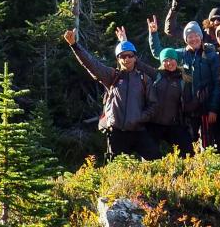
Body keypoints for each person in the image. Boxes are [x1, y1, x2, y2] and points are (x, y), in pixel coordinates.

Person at [64, 27, 158, 159]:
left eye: (130, 55)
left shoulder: (144, 79)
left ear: (135, 58)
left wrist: (141, 117)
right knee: (116, 167)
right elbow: (91, 63)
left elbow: (153, 105)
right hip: (116, 132)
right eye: (122, 56)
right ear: (118, 59)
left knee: (155, 158)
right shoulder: (112, 76)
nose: (127, 59)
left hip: (138, 130)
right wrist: (74, 45)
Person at [146, 16, 220, 149]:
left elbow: (217, 83)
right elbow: (160, 54)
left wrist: (213, 109)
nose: (194, 39)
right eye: (190, 36)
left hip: (206, 106)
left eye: (196, 35)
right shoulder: (181, 54)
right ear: (186, 39)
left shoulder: (211, 55)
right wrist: (153, 34)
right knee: (189, 144)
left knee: (208, 144)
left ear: (201, 36)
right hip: (188, 109)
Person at [142, 47, 195, 155]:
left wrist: (197, 101)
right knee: (149, 155)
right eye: (165, 60)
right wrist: (124, 42)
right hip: (153, 123)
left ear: (176, 60)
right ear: (162, 62)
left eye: (171, 59)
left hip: (173, 124)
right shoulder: (156, 75)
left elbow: (186, 106)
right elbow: (140, 65)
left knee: (187, 152)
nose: (169, 63)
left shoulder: (183, 80)